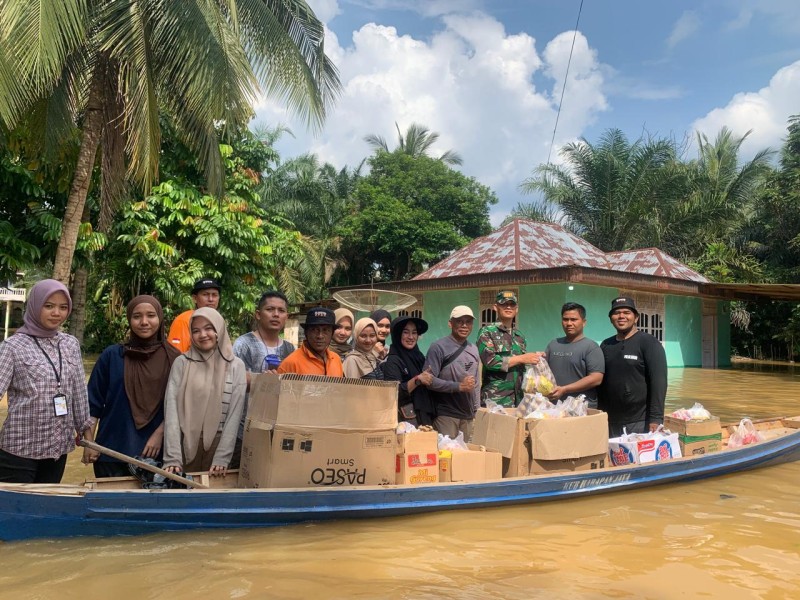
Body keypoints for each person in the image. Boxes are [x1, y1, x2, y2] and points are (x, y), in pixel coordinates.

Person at [0, 279, 94, 483]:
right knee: (17, 504)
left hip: (57, 450)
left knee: (48, 501)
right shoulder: (12, 347)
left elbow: (79, 395)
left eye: (63, 307)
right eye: (49, 306)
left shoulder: (70, 344)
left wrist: (89, 441)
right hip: (19, 450)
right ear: (35, 306)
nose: (56, 313)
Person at [84, 295, 180, 477]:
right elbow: (92, 404)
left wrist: (160, 434)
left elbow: (181, 405)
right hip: (111, 452)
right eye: (137, 316)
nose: (144, 322)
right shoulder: (112, 356)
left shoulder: (175, 359)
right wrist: (89, 443)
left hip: (157, 456)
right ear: (129, 319)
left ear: (160, 318)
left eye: (151, 315)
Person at [163, 307, 246, 476]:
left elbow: (234, 414)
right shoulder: (182, 363)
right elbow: (171, 410)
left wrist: (222, 457)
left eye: (209, 328)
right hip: (184, 445)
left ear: (219, 329)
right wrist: (172, 457)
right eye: (195, 331)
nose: (203, 335)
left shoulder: (235, 365)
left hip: (218, 447)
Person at [598, 297, 668, 437]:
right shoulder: (606, 345)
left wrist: (656, 418)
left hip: (640, 421)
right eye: (616, 313)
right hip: (611, 419)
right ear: (611, 319)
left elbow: (659, 382)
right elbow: (600, 381)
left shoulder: (649, 343)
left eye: (626, 312)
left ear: (636, 318)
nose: (621, 316)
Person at [423, 306, 481, 439]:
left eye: (468, 322)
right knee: (447, 450)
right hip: (446, 414)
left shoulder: (473, 349)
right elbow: (428, 380)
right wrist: (458, 386)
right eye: (459, 321)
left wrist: (476, 409)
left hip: (467, 416)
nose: (464, 325)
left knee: (466, 451)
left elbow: (476, 383)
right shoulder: (438, 347)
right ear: (450, 323)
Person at [476, 291, 542, 407]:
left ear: (517, 309)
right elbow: (490, 362)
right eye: (504, 304)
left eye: (512, 304)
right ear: (495, 307)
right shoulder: (487, 332)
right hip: (495, 399)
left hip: (518, 399)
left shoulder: (519, 336)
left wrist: (535, 357)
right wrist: (522, 358)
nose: (508, 307)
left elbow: (520, 364)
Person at [545, 302, 605, 408]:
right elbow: (543, 371)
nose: (569, 323)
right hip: (553, 407)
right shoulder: (553, 344)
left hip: (580, 408)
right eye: (565, 319)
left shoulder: (591, 347)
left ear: (584, 322)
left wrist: (564, 389)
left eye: (573, 319)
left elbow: (596, 378)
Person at [232, 290, 295, 386]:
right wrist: (264, 381)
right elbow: (234, 379)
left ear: (286, 317)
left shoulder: (289, 348)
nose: (276, 314)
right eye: (270, 309)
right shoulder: (243, 344)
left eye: (281, 310)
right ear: (258, 314)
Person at [383, 315, 435, 426]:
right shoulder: (393, 360)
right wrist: (417, 379)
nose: (411, 337)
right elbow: (393, 393)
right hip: (406, 421)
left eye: (414, 332)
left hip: (424, 416)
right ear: (398, 334)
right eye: (406, 332)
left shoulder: (419, 357)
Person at [277, 307, 343, 376]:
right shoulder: (290, 364)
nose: (320, 336)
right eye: (314, 330)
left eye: (325, 330)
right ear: (306, 332)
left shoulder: (336, 359)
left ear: (332, 333)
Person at [167, 277, 221, 353]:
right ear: (195, 298)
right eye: (205, 294)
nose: (211, 299)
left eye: (214, 295)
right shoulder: (183, 320)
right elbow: (175, 355)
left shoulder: (219, 321)